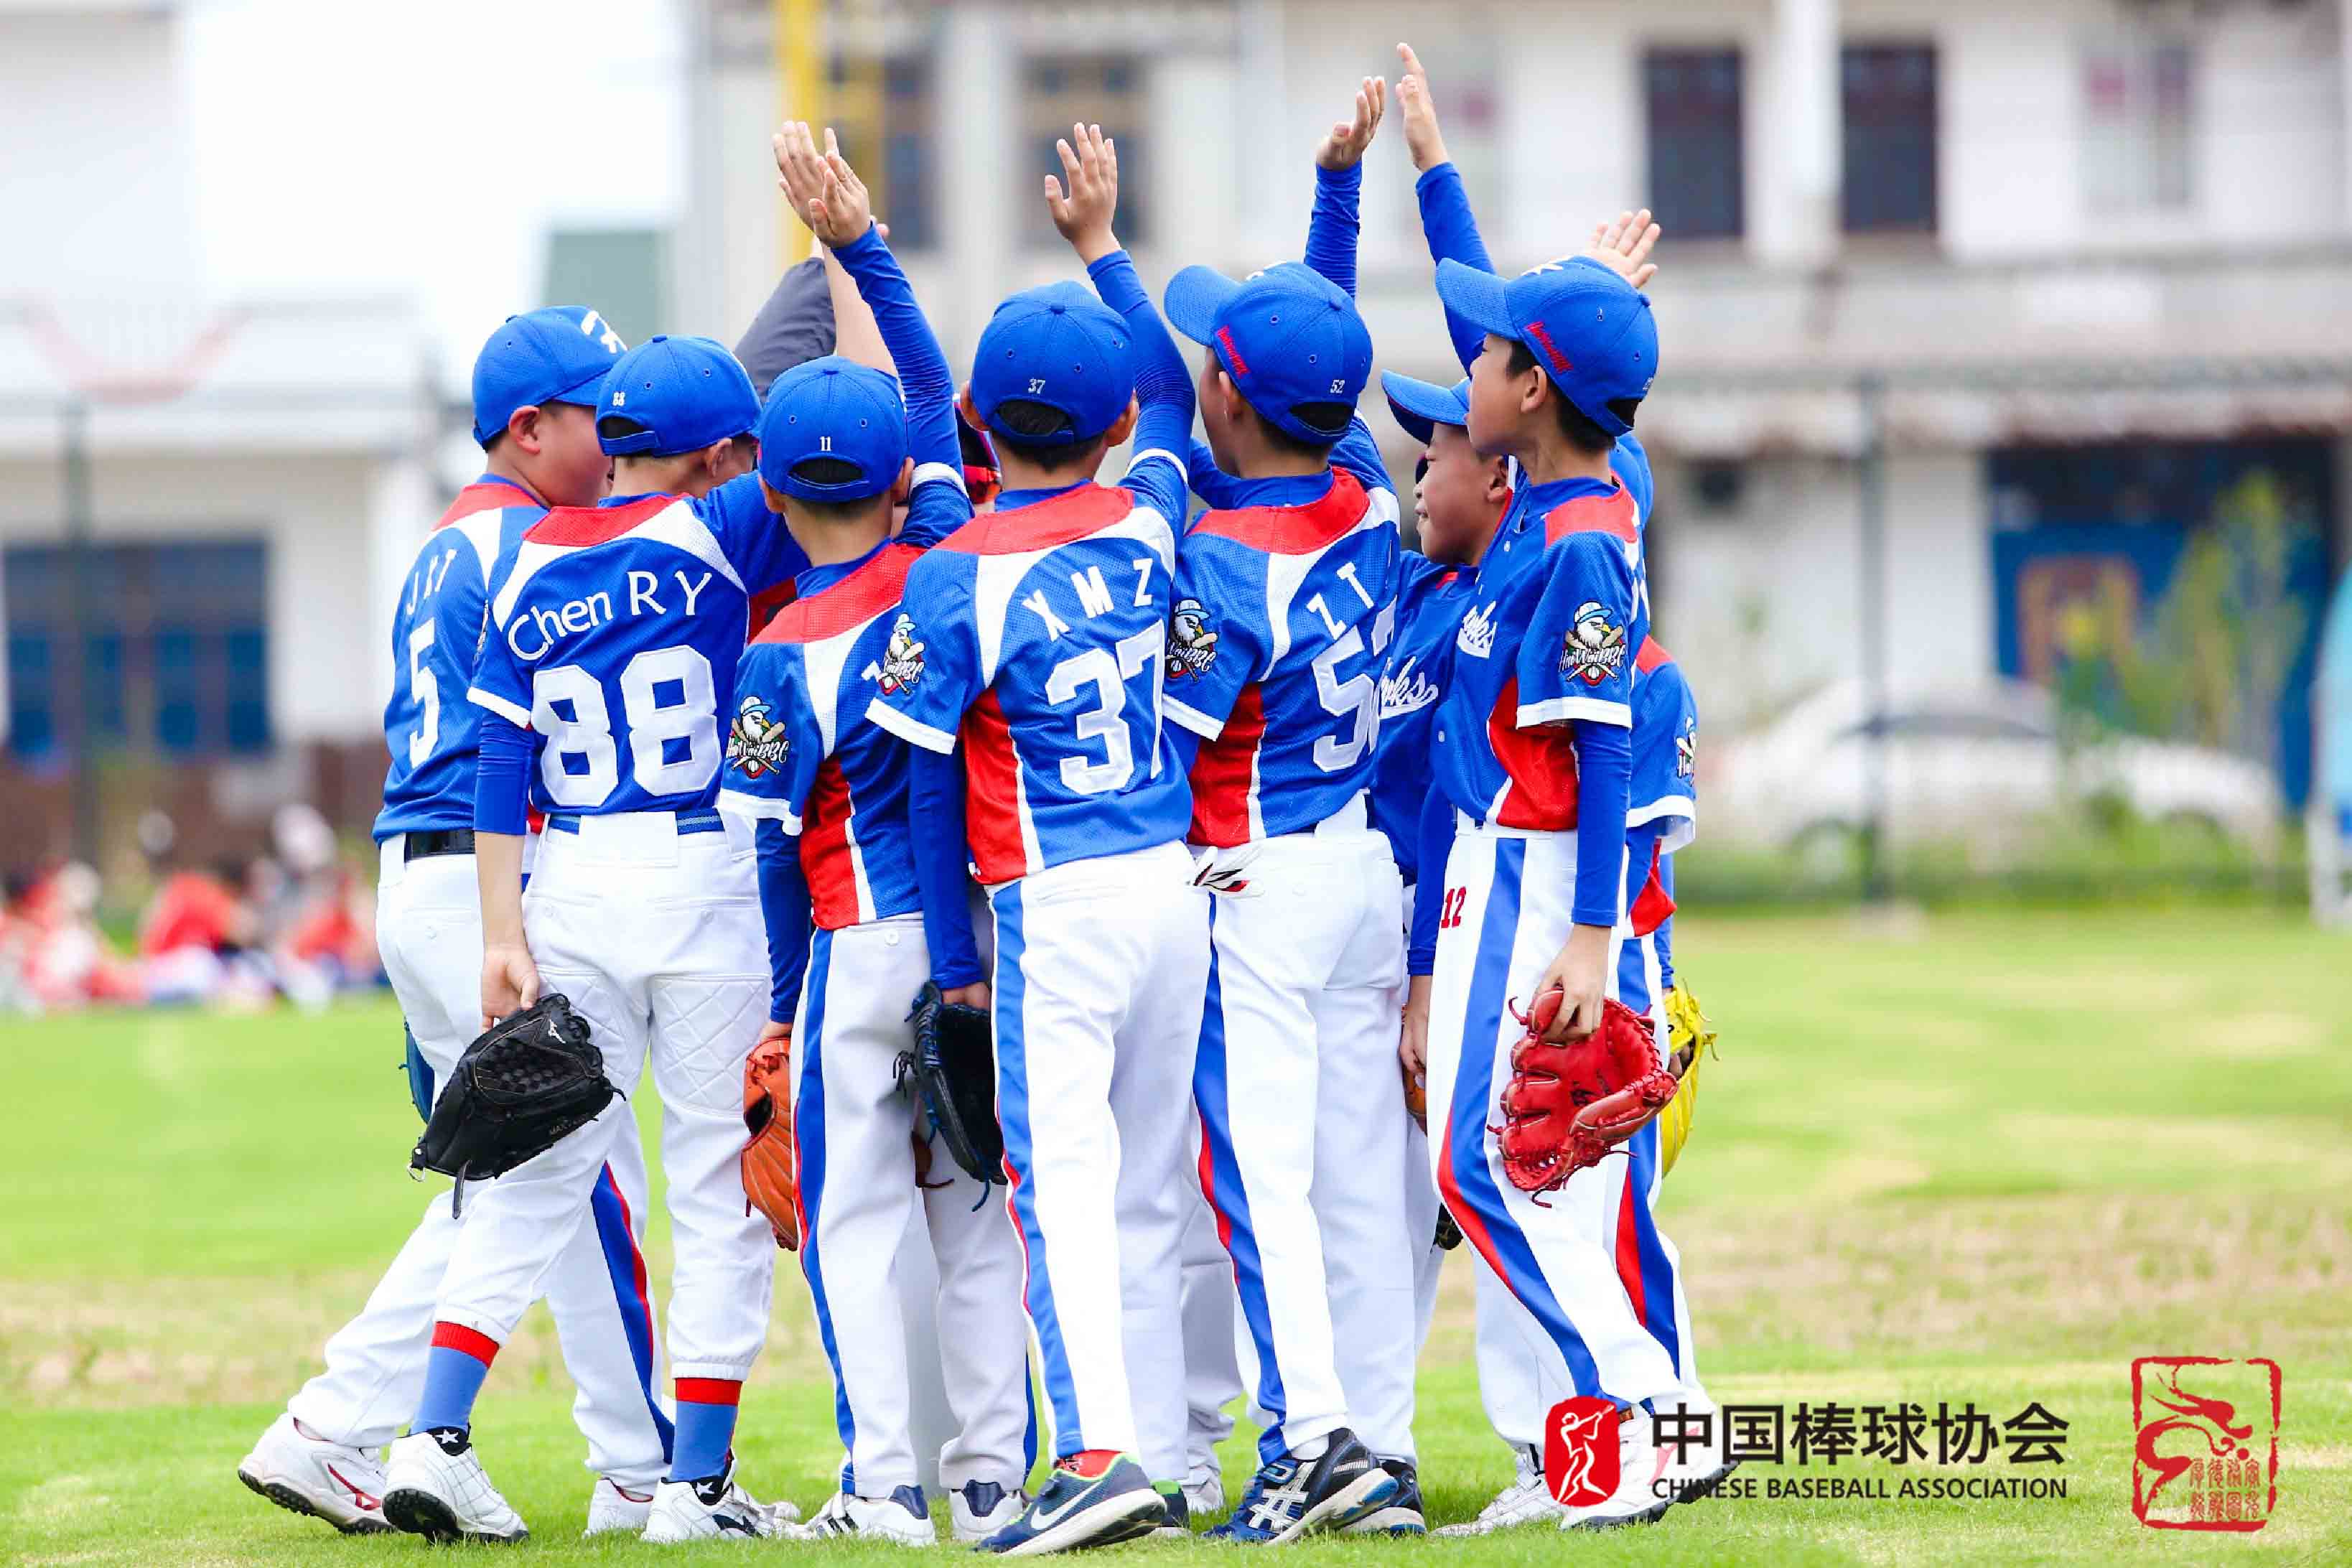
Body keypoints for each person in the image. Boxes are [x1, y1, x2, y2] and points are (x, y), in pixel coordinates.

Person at [237, 307, 677, 1541]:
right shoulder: (540, 536)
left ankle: (623, 1462)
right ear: (530, 428)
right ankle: (357, 1428)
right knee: (564, 1177)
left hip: (419, 875)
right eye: (598, 413)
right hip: (491, 878)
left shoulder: (447, 538)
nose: (619, 434)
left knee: (528, 1182)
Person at [381, 321, 810, 1543]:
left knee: (529, 1176)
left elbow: (498, 757)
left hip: (567, 879)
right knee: (716, 1184)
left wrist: (499, 933)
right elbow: (857, 453)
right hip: (703, 870)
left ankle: (433, 1436)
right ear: (717, 455)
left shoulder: (528, 557)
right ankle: (695, 1487)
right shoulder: (721, 524)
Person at [864, 124, 1208, 1555]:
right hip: (1173, 884)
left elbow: (923, 789)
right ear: (1115, 424)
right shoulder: (1154, 509)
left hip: (1055, 901)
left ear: (974, 426)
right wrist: (1105, 247)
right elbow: (1176, 391)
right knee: (1148, 1193)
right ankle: (1168, 1454)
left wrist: (956, 963)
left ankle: (1101, 1458)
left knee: (1060, 1191)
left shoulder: (954, 575)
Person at [718, 124, 1030, 1546]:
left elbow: (774, 859)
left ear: (775, 496)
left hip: (854, 949)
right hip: (974, 941)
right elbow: (927, 386)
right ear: (902, 479)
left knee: (853, 1219)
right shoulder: (948, 556)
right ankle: (991, 1477)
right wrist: (863, 247)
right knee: (975, 1214)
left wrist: (786, 1007)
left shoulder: (776, 652)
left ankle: (887, 1487)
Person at [1155, 78, 1416, 1544]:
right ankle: (1380, 1446)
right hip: (1360, 873)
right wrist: (1338, 194)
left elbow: (1173, 748)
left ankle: (1312, 1445)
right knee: (1358, 1186)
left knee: (1262, 1181)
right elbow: (1321, 348)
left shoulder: (1221, 563)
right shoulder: (1368, 491)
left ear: (1227, 401)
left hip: (1251, 879)